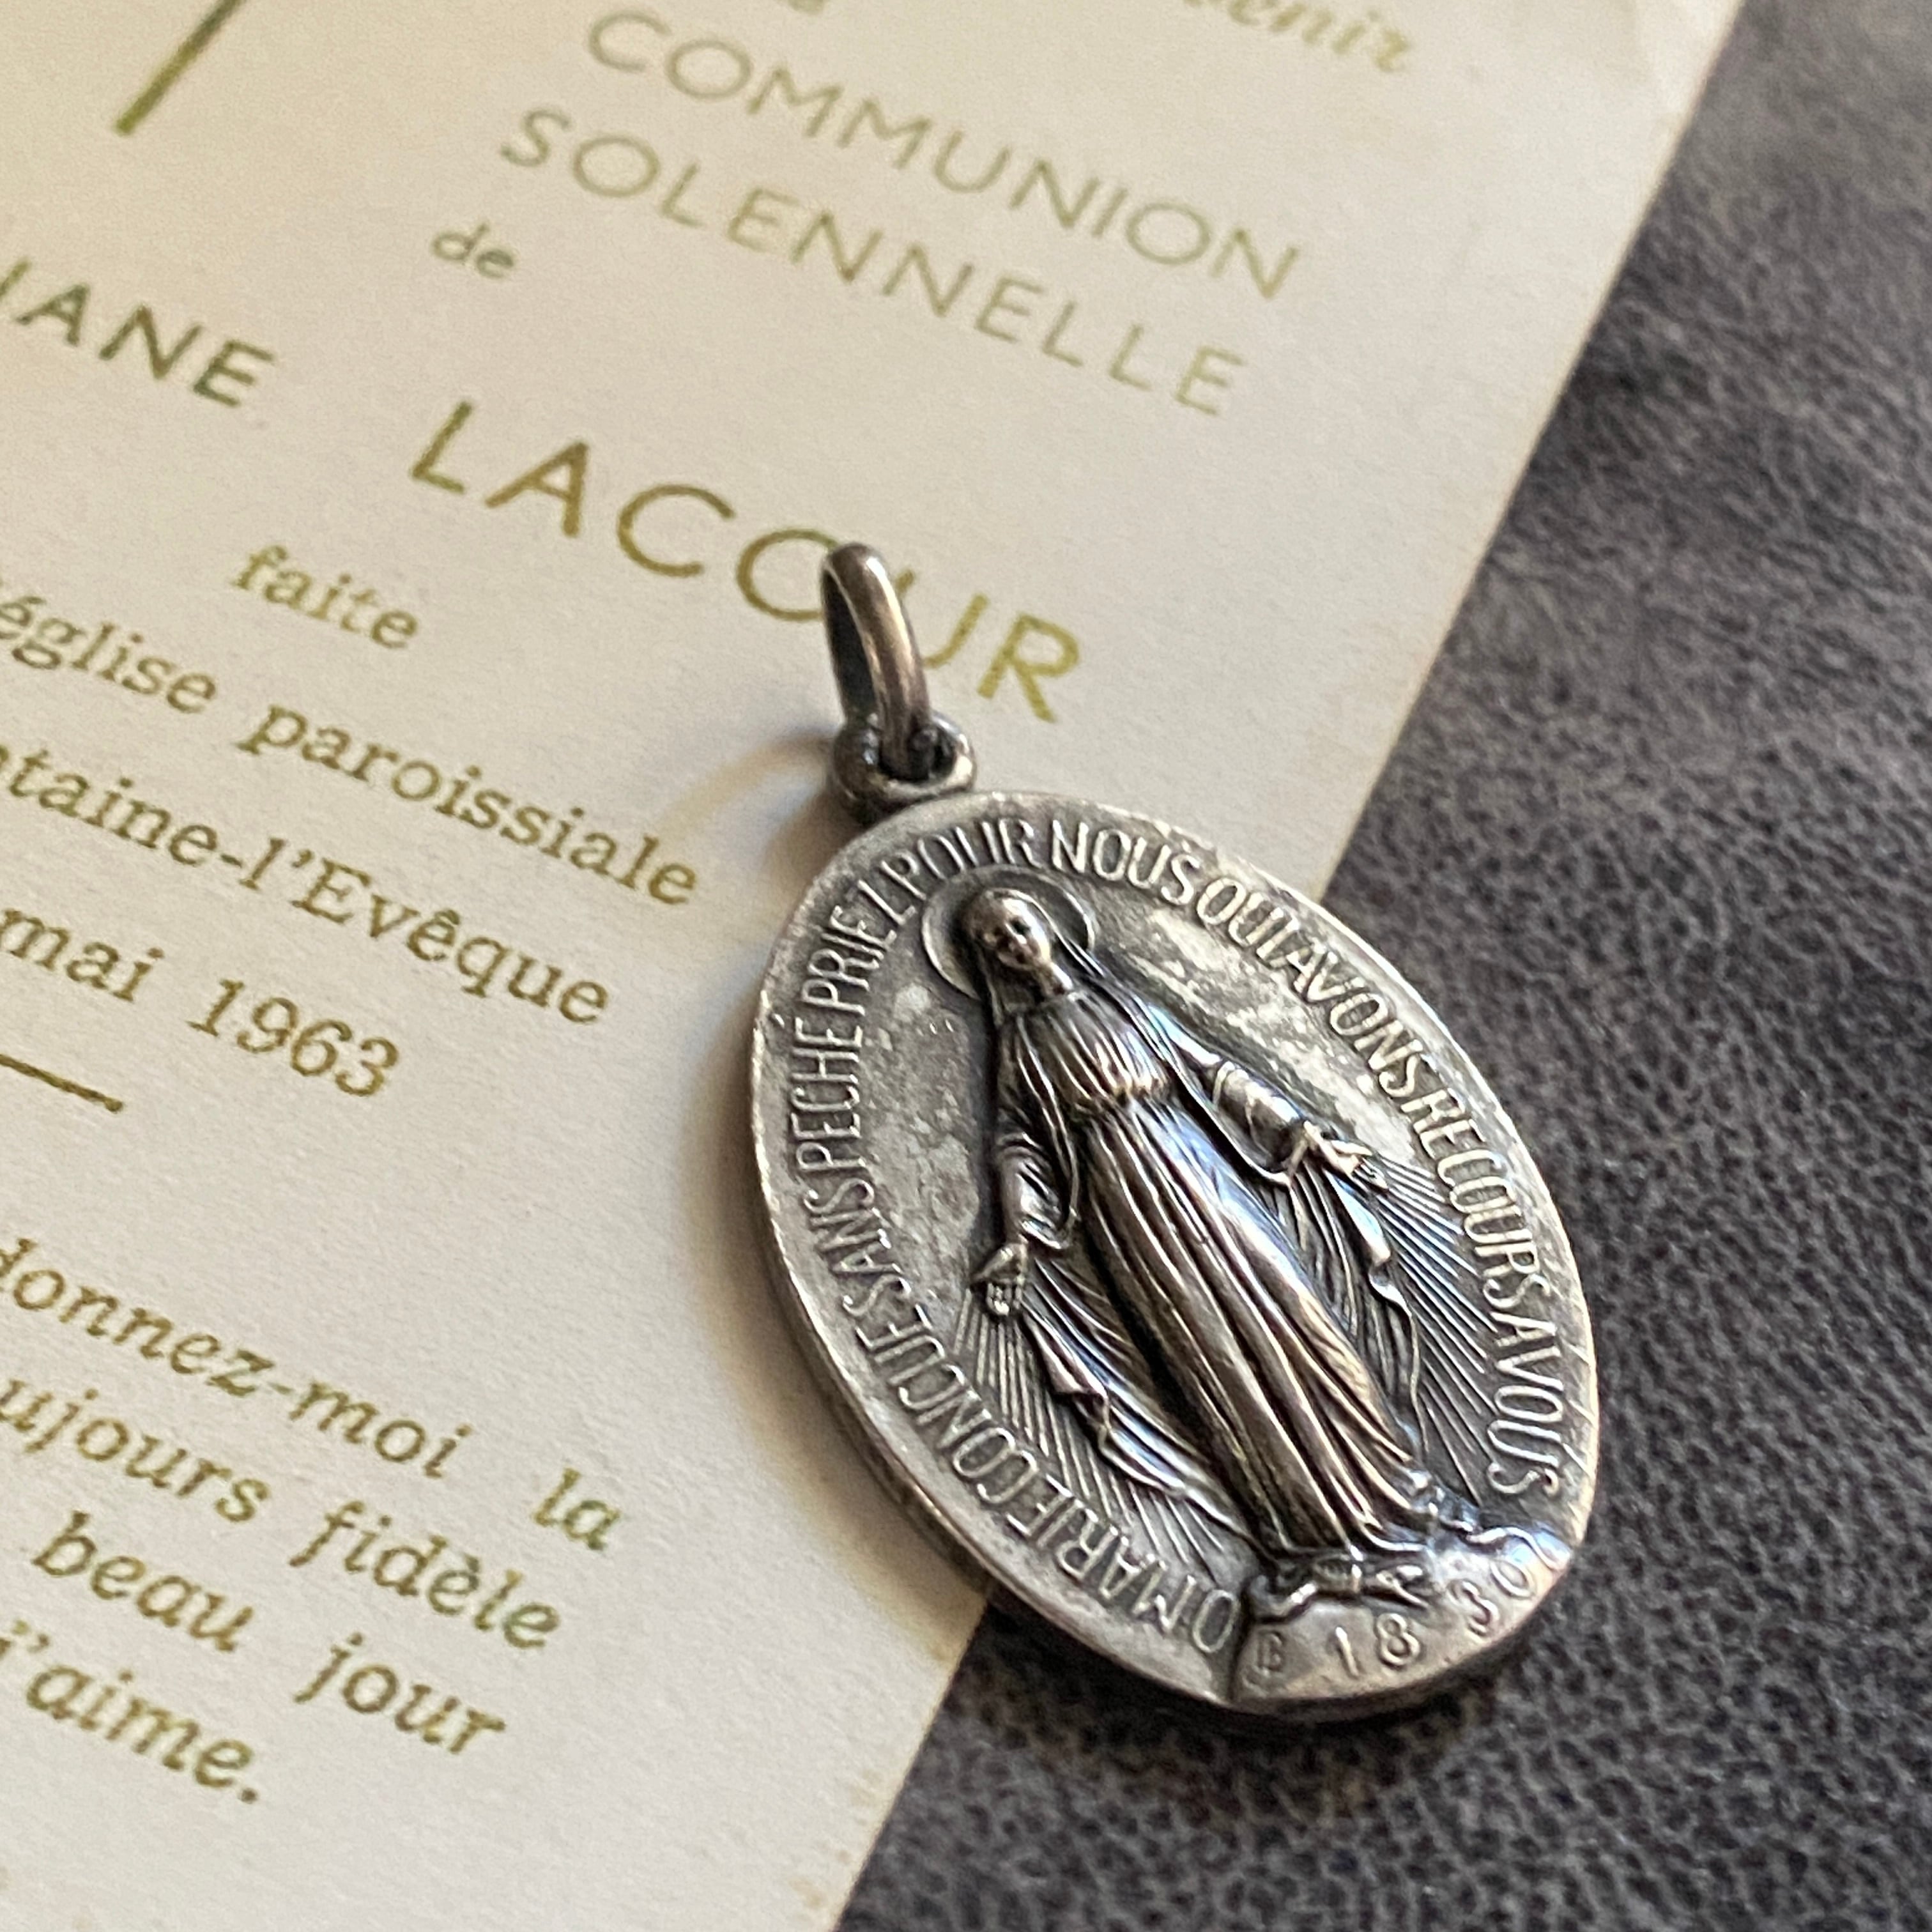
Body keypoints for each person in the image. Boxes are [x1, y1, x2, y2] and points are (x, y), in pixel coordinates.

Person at [960, 884, 1480, 1617]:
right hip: (1126, 1214)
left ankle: (1399, 1491)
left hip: (1201, 1172)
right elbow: (1017, 1144)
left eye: (1017, 926)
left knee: (1301, 1319)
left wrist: (1304, 1133)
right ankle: (1309, 1536)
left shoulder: (1124, 1003)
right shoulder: (1020, 1046)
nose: (1014, 945)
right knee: (1215, 1358)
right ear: (990, 962)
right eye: (996, 943)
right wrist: (1018, 1237)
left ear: (1043, 924)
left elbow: (1214, 1073)